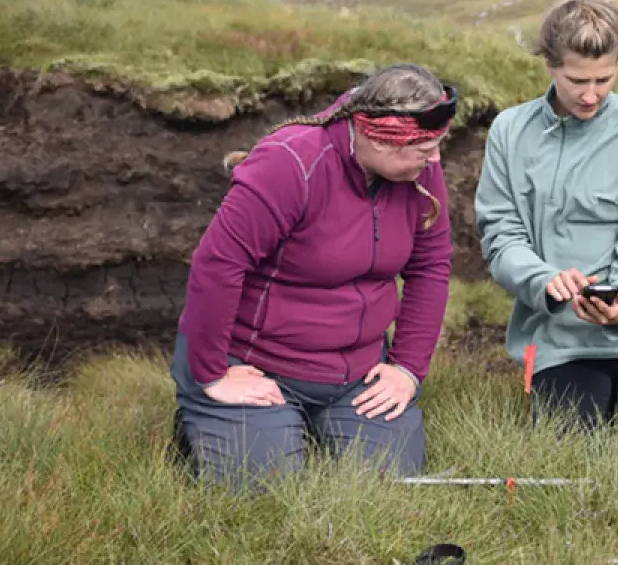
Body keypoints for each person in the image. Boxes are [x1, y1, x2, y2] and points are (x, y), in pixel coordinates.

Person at [169, 63, 455, 490]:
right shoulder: (289, 163)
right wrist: (213, 373)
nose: (435, 158)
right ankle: (207, 410)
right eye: (425, 148)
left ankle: (303, 427)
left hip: (357, 371)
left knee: (388, 485)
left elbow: (430, 267)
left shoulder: (419, 171)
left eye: (438, 145)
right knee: (265, 491)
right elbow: (218, 264)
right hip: (258, 363)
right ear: (379, 138)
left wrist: (407, 369)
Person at [474, 0, 618, 462]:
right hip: (558, 337)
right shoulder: (508, 132)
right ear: (549, 64)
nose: (591, 95)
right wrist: (542, 280)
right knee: (564, 479)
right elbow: (501, 238)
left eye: (604, 79)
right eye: (577, 80)